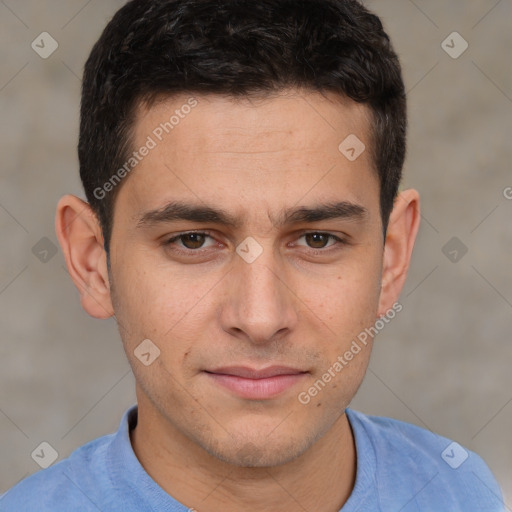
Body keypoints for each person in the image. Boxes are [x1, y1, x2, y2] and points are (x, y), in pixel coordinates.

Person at [1, 0, 505, 510]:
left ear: (392, 257)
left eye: (317, 239)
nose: (261, 318)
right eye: (193, 240)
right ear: (93, 262)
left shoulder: (463, 492)